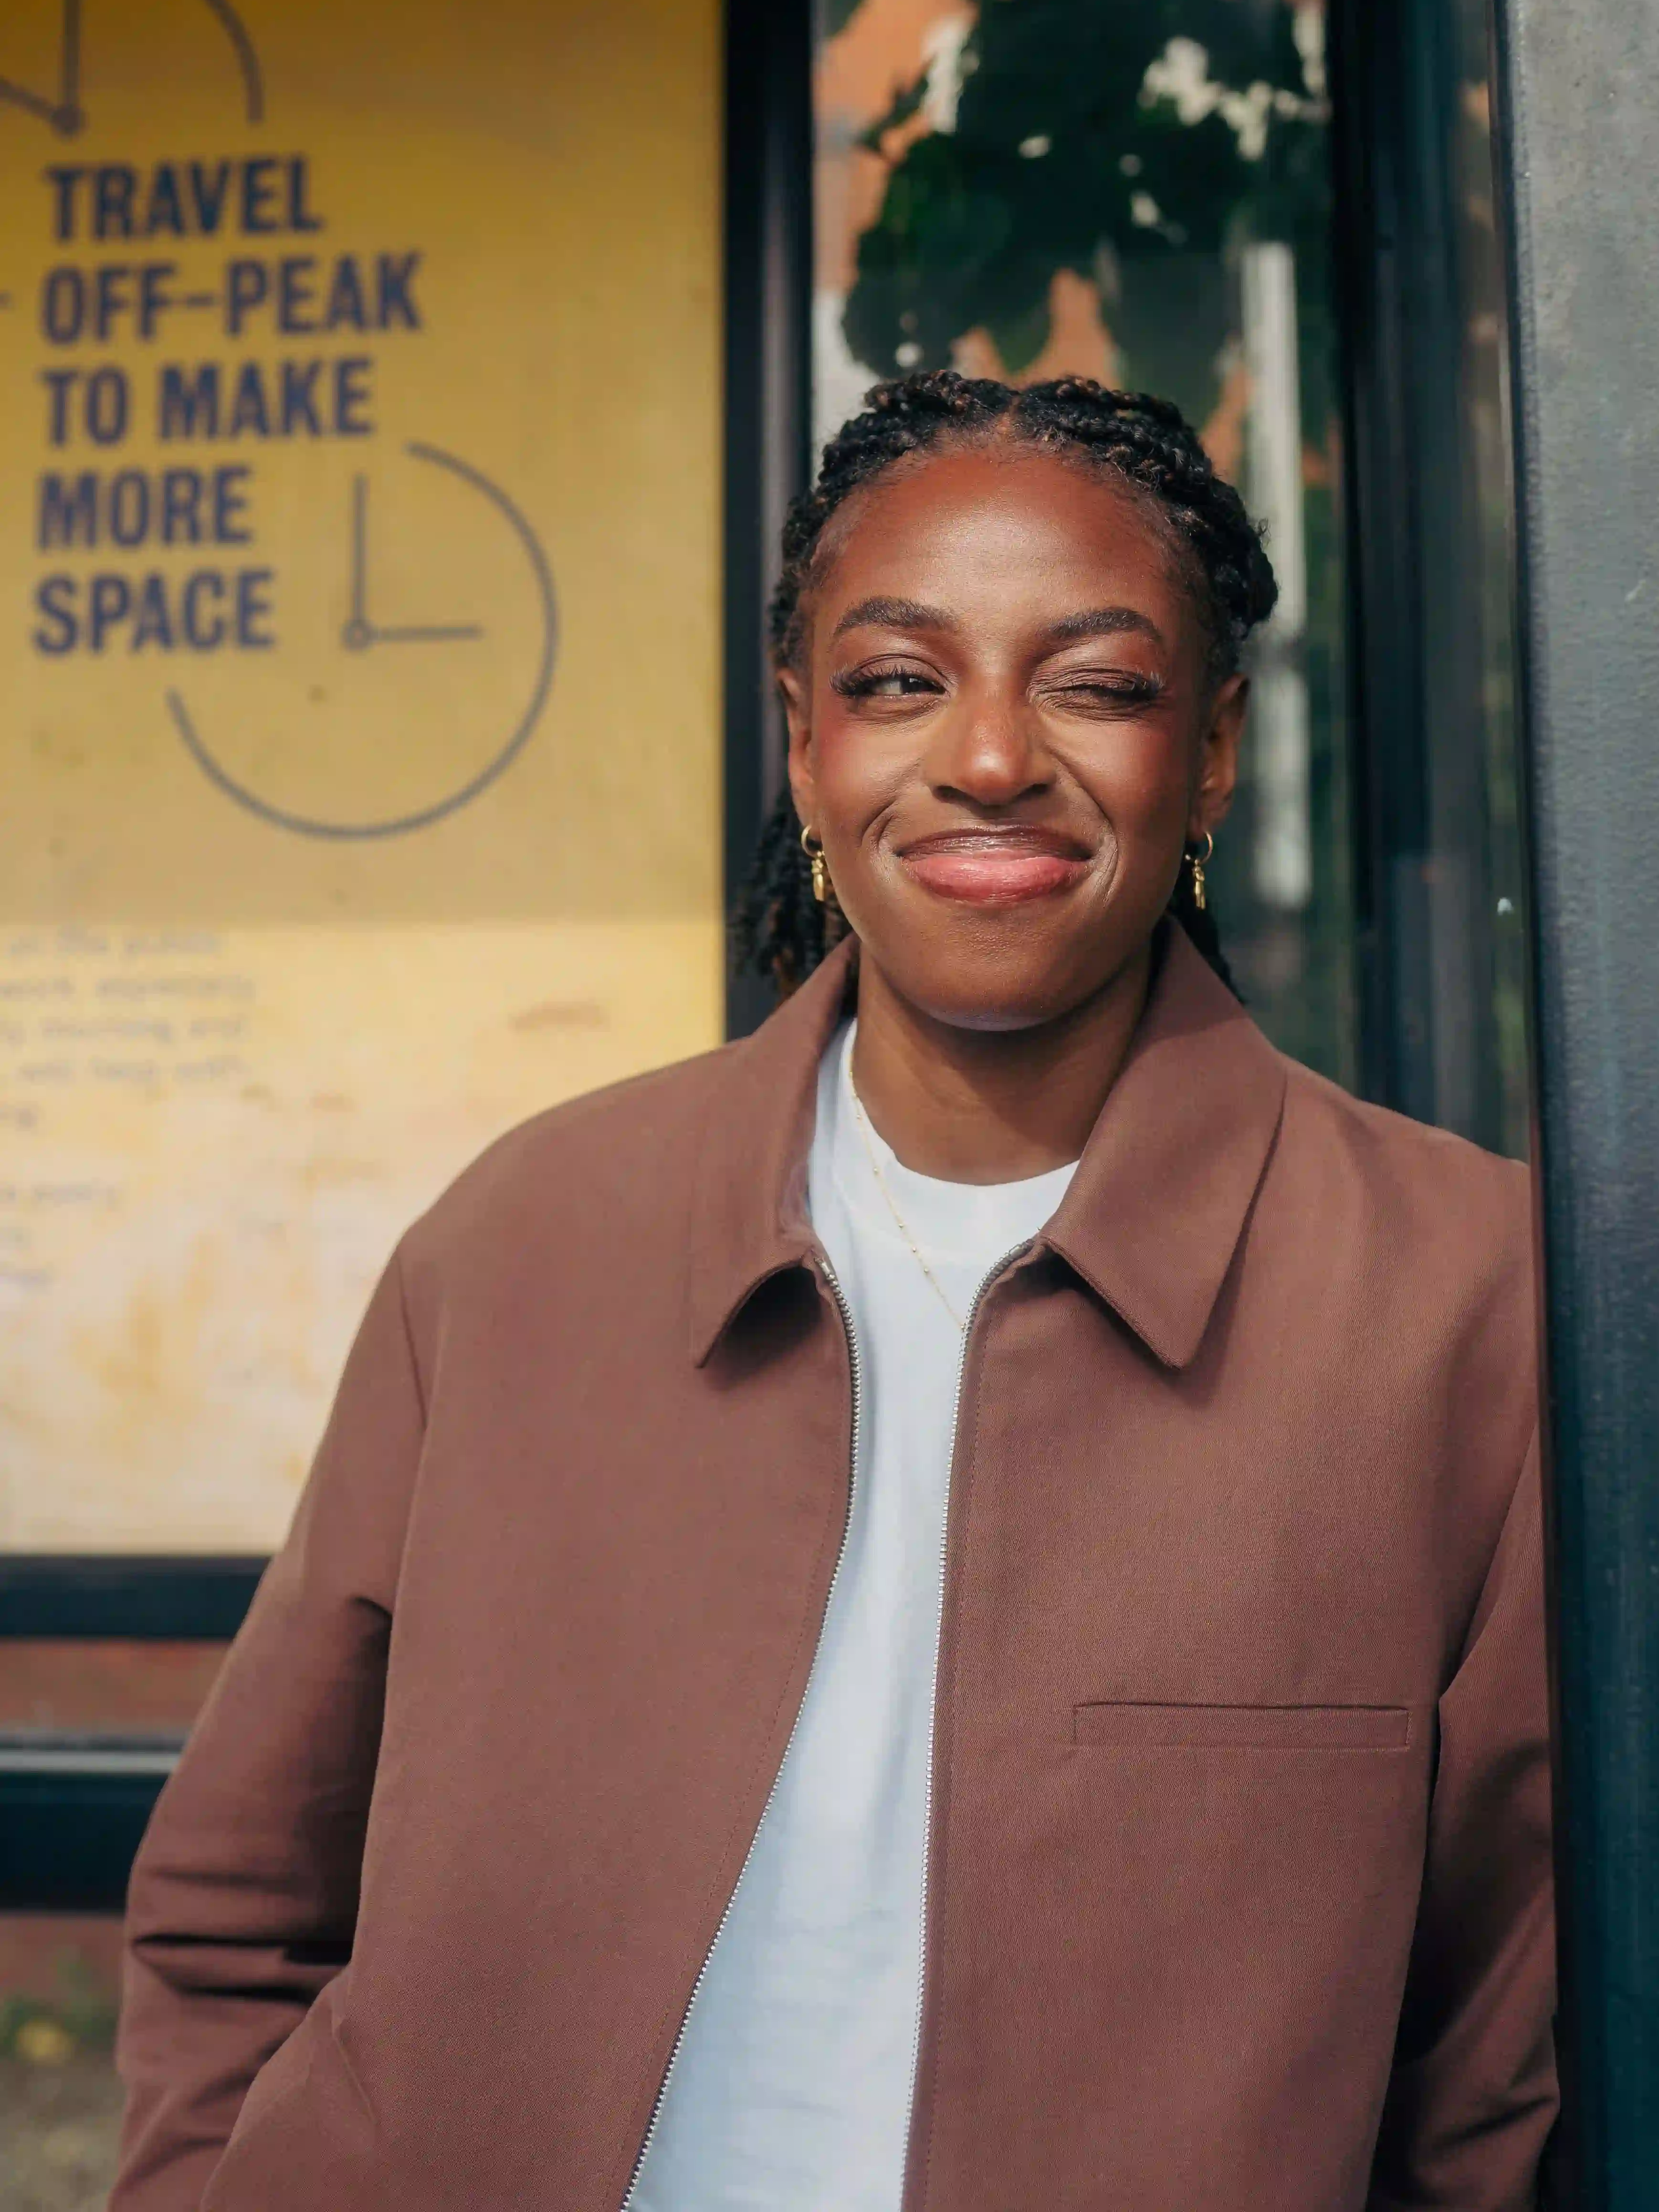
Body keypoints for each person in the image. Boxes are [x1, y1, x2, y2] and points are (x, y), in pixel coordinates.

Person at [110, 370, 1554, 2212]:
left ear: (1209, 751)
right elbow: (239, 1913)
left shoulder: (1452, 1296)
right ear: (806, 745)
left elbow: (1499, 2070)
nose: (987, 757)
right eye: (897, 680)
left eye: (1096, 683)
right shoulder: (524, 1243)